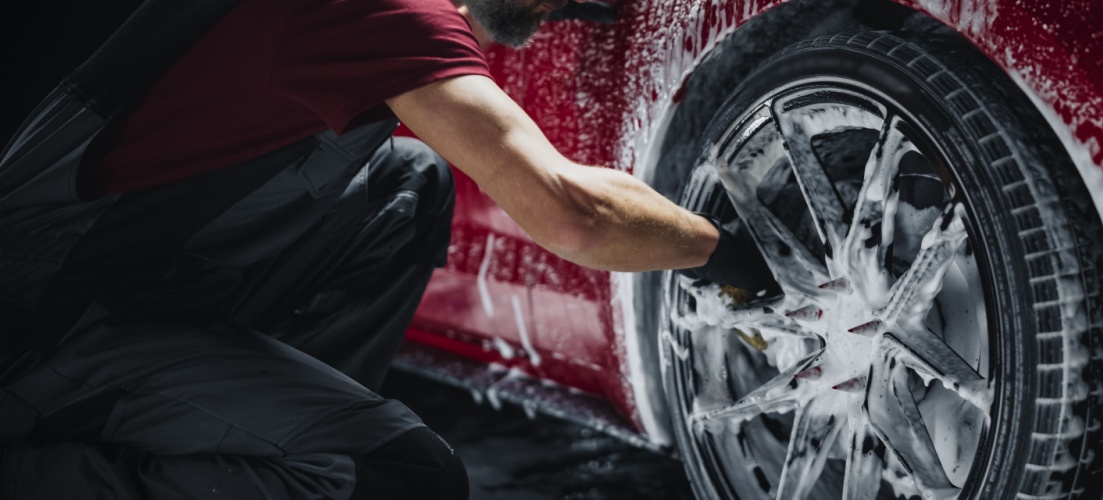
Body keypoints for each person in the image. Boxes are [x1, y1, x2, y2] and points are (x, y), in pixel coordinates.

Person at [0, 0, 771, 497]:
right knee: (401, 475)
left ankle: (260, 443)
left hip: (116, 299)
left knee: (405, 183)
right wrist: (738, 256)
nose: (584, 12)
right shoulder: (386, 12)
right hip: (39, 335)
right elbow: (574, 214)